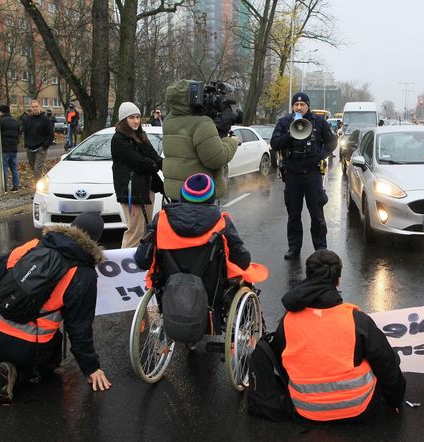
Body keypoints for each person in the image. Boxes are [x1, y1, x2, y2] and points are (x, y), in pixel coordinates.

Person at [0, 212, 112, 403]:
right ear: (96, 240)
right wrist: (91, 368)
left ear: (71, 227)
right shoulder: (84, 275)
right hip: (24, 345)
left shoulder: (34, 245)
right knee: (50, 360)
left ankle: (5, 362)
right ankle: (18, 373)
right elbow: (79, 328)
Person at [273, 249, 406, 422]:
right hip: (358, 408)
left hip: (305, 409)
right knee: (386, 356)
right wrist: (395, 400)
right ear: (338, 280)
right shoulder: (356, 320)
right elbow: (387, 364)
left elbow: (280, 362)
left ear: (308, 276)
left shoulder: (288, 321)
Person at [135, 173, 267, 330]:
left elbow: (141, 260)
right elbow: (242, 260)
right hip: (211, 295)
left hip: (170, 291)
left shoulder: (161, 219)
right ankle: (247, 326)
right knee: (245, 276)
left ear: (182, 196)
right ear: (211, 198)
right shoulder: (221, 222)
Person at [270, 92, 337, 260]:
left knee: (317, 214)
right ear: (293, 106)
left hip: (312, 175)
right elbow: (274, 143)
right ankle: (294, 248)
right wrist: (289, 135)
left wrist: (320, 155)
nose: (299, 107)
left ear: (308, 105)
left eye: (302, 105)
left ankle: (320, 250)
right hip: (293, 175)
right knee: (293, 215)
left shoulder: (319, 122)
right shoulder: (285, 122)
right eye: (296, 105)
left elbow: (332, 142)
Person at [162, 79, 238, 200]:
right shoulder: (201, 123)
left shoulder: (168, 121)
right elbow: (217, 159)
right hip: (200, 193)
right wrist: (231, 142)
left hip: (176, 192)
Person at [111, 101, 163, 249]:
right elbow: (139, 162)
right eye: (131, 117)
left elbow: (153, 156)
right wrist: (154, 164)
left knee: (146, 230)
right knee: (135, 232)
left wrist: (164, 165)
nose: (135, 121)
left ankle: (142, 263)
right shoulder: (118, 139)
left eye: (137, 117)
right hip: (130, 192)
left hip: (146, 188)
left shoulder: (141, 135)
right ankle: (125, 264)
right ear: (123, 120)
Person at [22, 100, 54, 181]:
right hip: (30, 147)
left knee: (37, 169)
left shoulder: (45, 120)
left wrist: (45, 146)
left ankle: (38, 188)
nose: (35, 108)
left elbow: (51, 135)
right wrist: (26, 144)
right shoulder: (27, 119)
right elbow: (25, 132)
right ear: (31, 108)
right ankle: (44, 179)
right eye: (33, 107)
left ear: (39, 107)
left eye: (36, 106)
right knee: (33, 168)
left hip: (41, 148)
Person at [0, 104, 21, 192]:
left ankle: (5, 186)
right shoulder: (15, 121)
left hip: (4, 148)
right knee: (14, 167)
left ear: (1, 111)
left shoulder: (0, 121)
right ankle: (15, 185)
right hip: (13, 147)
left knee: (4, 167)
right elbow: (19, 133)